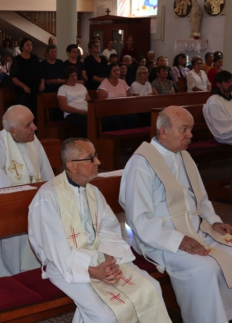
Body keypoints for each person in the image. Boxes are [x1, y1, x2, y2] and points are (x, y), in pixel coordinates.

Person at [29, 138, 170, 323]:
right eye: (91, 158)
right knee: (106, 315)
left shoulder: (93, 192)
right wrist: (91, 270)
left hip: (100, 257)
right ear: (72, 166)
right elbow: (55, 248)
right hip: (65, 266)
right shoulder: (47, 198)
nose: (98, 162)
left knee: (151, 287)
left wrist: (109, 259)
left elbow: (109, 230)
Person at [120, 106, 232, 323]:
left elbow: (201, 198)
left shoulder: (184, 156)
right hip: (159, 239)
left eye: (190, 129)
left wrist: (214, 221)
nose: (190, 135)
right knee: (205, 268)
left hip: (197, 229)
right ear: (163, 131)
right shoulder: (141, 163)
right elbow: (139, 219)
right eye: (184, 129)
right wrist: (178, 240)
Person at [0, 105, 54, 278]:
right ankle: (16, 277)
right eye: (28, 125)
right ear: (13, 131)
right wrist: (24, 204)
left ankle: (38, 272)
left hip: (36, 203)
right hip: (12, 209)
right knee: (14, 250)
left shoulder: (33, 140)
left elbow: (46, 173)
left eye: (33, 121)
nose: (35, 127)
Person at [10, 37, 41, 117]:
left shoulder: (34, 58)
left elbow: (40, 72)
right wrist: (24, 86)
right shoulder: (17, 60)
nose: (30, 46)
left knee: (34, 112)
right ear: (22, 47)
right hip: (22, 91)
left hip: (34, 89)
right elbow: (13, 77)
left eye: (31, 44)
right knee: (23, 113)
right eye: (27, 44)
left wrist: (42, 83)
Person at [57, 66, 90, 138]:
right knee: (86, 122)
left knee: (103, 120)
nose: (74, 78)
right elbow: (63, 106)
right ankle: (84, 143)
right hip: (72, 114)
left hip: (86, 111)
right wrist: (79, 111)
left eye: (75, 75)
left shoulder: (82, 86)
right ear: (66, 78)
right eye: (71, 76)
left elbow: (89, 101)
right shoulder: (63, 89)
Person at [203, 70, 232, 145]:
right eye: (227, 82)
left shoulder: (230, 97)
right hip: (225, 135)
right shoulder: (214, 101)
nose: (231, 84)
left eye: (231, 81)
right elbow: (222, 126)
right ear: (218, 84)